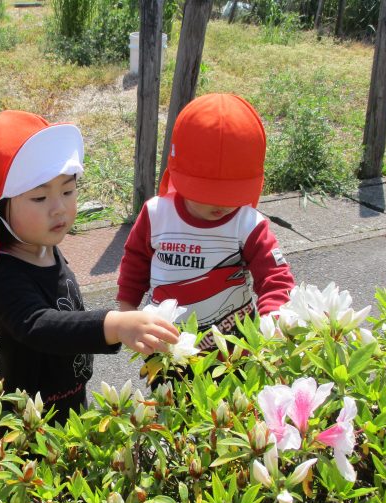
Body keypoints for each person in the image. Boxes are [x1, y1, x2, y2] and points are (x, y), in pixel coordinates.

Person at [0, 110, 179, 423]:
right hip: (31, 427)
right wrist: (113, 326)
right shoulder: (5, 273)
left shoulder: (45, 249)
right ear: (0, 207)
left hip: (71, 404)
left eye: (68, 191)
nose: (59, 207)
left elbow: (70, 314)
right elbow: (40, 325)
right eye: (40, 197)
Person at [117, 93, 295, 350]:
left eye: (232, 194)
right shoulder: (157, 214)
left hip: (235, 345)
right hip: (169, 345)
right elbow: (135, 262)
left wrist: (274, 321)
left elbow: (275, 278)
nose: (221, 204)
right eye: (207, 193)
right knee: (170, 391)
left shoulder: (248, 225)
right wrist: (126, 310)